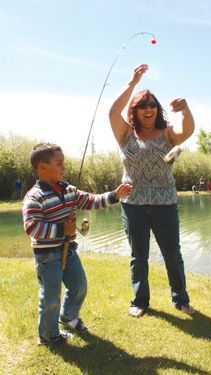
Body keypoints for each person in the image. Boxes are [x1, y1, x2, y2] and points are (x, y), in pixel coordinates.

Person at [23, 142, 132, 345]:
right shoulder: (34, 196)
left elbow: (91, 201)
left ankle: (68, 316)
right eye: (59, 163)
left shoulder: (69, 190)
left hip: (69, 250)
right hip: (47, 255)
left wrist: (114, 195)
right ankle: (48, 335)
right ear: (42, 167)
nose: (64, 167)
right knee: (50, 297)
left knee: (79, 285)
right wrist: (61, 230)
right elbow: (31, 227)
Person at [109, 63, 195, 317]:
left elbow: (187, 130)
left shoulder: (167, 133)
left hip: (165, 204)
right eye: (142, 105)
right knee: (138, 256)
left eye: (152, 105)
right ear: (134, 110)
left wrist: (186, 110)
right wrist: (132, 82)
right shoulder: (125, 133)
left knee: (172, 253)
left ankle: (180, 298)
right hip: (133, 204)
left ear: (157, 110)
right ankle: (140, 301)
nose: (148, 109)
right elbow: (113, 111)